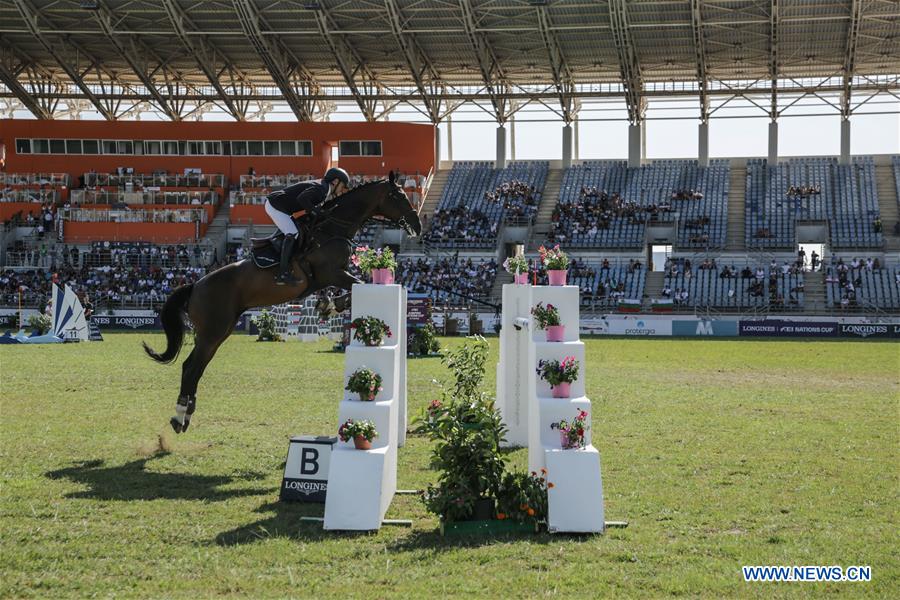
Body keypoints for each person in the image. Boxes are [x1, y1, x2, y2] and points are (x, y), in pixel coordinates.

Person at [264, 167, 351, 284]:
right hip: (275, 205)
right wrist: (318, 212)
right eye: (342, 185)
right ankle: (283, 273)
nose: (342, 190)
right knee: (293, 233)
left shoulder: (324, 188)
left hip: (281, 206)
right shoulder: (322, 189)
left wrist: (318, 212)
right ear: (335, 181)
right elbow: (302, 199)